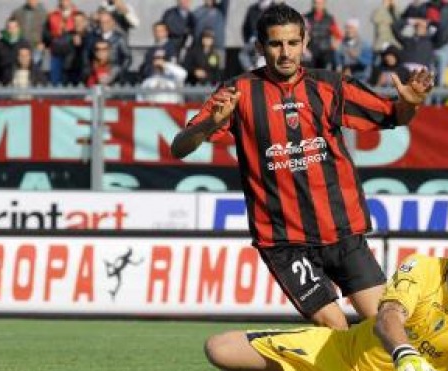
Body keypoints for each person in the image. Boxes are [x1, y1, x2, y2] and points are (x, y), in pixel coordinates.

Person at [171, 4, 434, 331]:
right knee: (334, 327)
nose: (285, 53)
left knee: (387, 323)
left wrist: (410, 103)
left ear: (305, 43)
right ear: (259, 47)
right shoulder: (237, 93)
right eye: (276, 44)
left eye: (293, 43)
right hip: (284, 241)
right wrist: (210, 123)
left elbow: (394, 116)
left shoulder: (329, 86)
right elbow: (179, 147)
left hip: (342, 231)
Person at [204, 218, 448, 371]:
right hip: (340, 355)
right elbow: (389, 314)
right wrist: (404, 351)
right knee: (220, 349)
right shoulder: (423, 267)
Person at [304, 0, 342, 69]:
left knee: (324, 74)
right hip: (311, 51)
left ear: (324, 4)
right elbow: (301, 33)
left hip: (325, 52)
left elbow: (338, 35)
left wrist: (334, 46)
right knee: (310, 74)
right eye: (316, 3)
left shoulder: (329, 19)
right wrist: (304, 48)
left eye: (320, 3)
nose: (318, 5)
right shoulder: (306, 17)